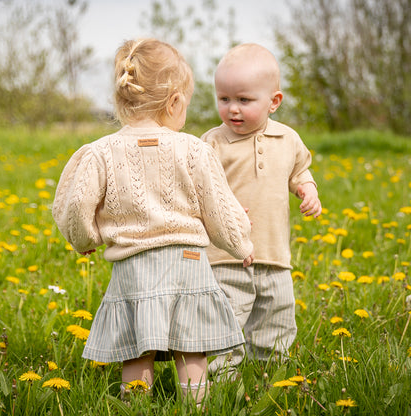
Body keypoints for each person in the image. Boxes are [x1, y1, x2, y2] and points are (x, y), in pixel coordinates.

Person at [52, 38, 254, 404]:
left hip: (133, 265)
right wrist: (242, 244)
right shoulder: (194, 149)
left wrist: (85, 240)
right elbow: (220, 209)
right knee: (191, 346)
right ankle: (197, 406)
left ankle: (136, 405)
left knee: (136, 345)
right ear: (175, 101)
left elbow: (74, 203)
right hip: (189, 264)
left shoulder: (100, 152)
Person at [201, 43, 322, 375]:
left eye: (244, 100)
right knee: (225, 319)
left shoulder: (288, 139)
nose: (232, 109)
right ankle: (222, 381)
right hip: (227, 255)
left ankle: (271, 377)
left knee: (277, 317)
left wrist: (307, 189)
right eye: (224, 99)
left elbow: (299, 171)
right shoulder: (211, 143)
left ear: (274, 102)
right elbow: (200, 188)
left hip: (274, 253)